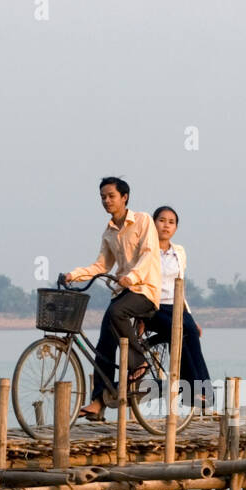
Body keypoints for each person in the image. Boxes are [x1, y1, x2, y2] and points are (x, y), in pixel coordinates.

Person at [62, 177, 163, 420]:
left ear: (124, 197)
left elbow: (149, 253)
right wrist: (73, 275)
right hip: (123, 291)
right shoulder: (109, 232)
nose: (106, 201)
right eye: (103, 197)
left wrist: (133, 275)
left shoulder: (143, 220)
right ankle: (98, 402)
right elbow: (101, 265)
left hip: (145, 290)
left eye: (111, 196)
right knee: (104, 343)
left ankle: (138, 363)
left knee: (115, 314)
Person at [143, 205, 213, 409]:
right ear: (153, 223)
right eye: (162, 220)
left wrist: (191, 316)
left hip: (177, 307)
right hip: (153, 307)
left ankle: (203, 393)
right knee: (179, 334)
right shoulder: (146, 250)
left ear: (175, 228)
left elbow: (180, 286)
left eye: (171, 222)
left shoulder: (179, 252)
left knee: (192, 333)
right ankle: (192, 390)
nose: (166, 225)